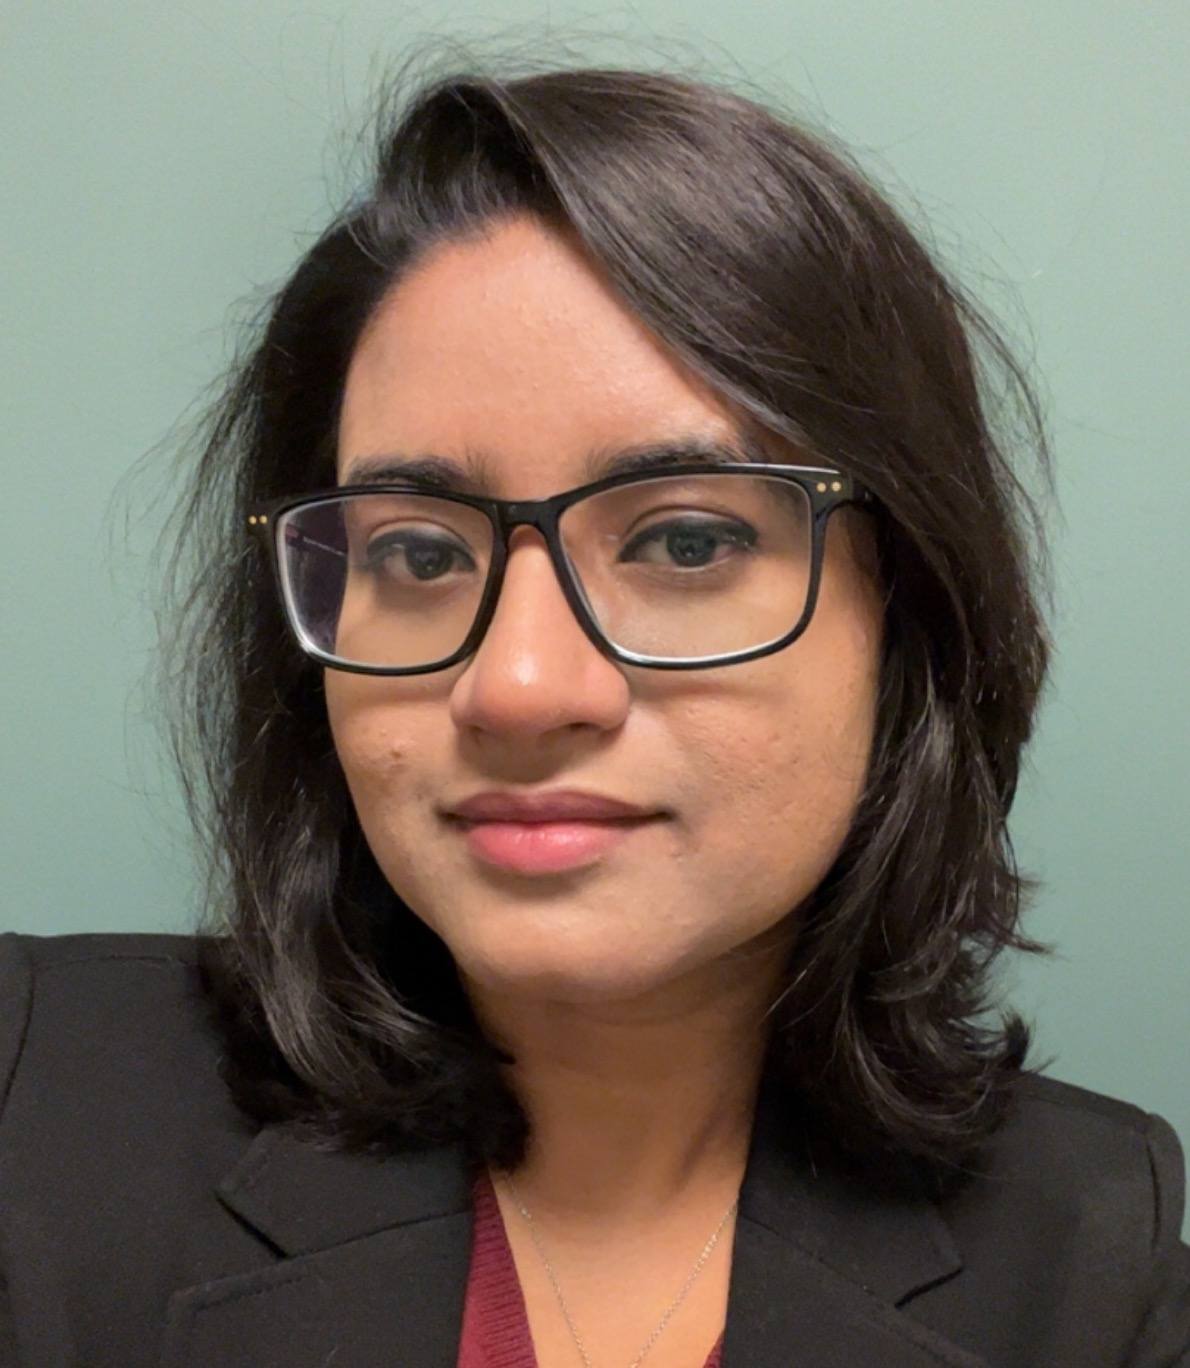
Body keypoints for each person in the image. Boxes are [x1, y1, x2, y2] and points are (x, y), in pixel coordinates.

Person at [0, 58, 1186, 1368]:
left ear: (906, 620)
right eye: (417, 553)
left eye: (685, 543)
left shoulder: (1085, 1255)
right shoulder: (36, 1101)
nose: (517, 688)